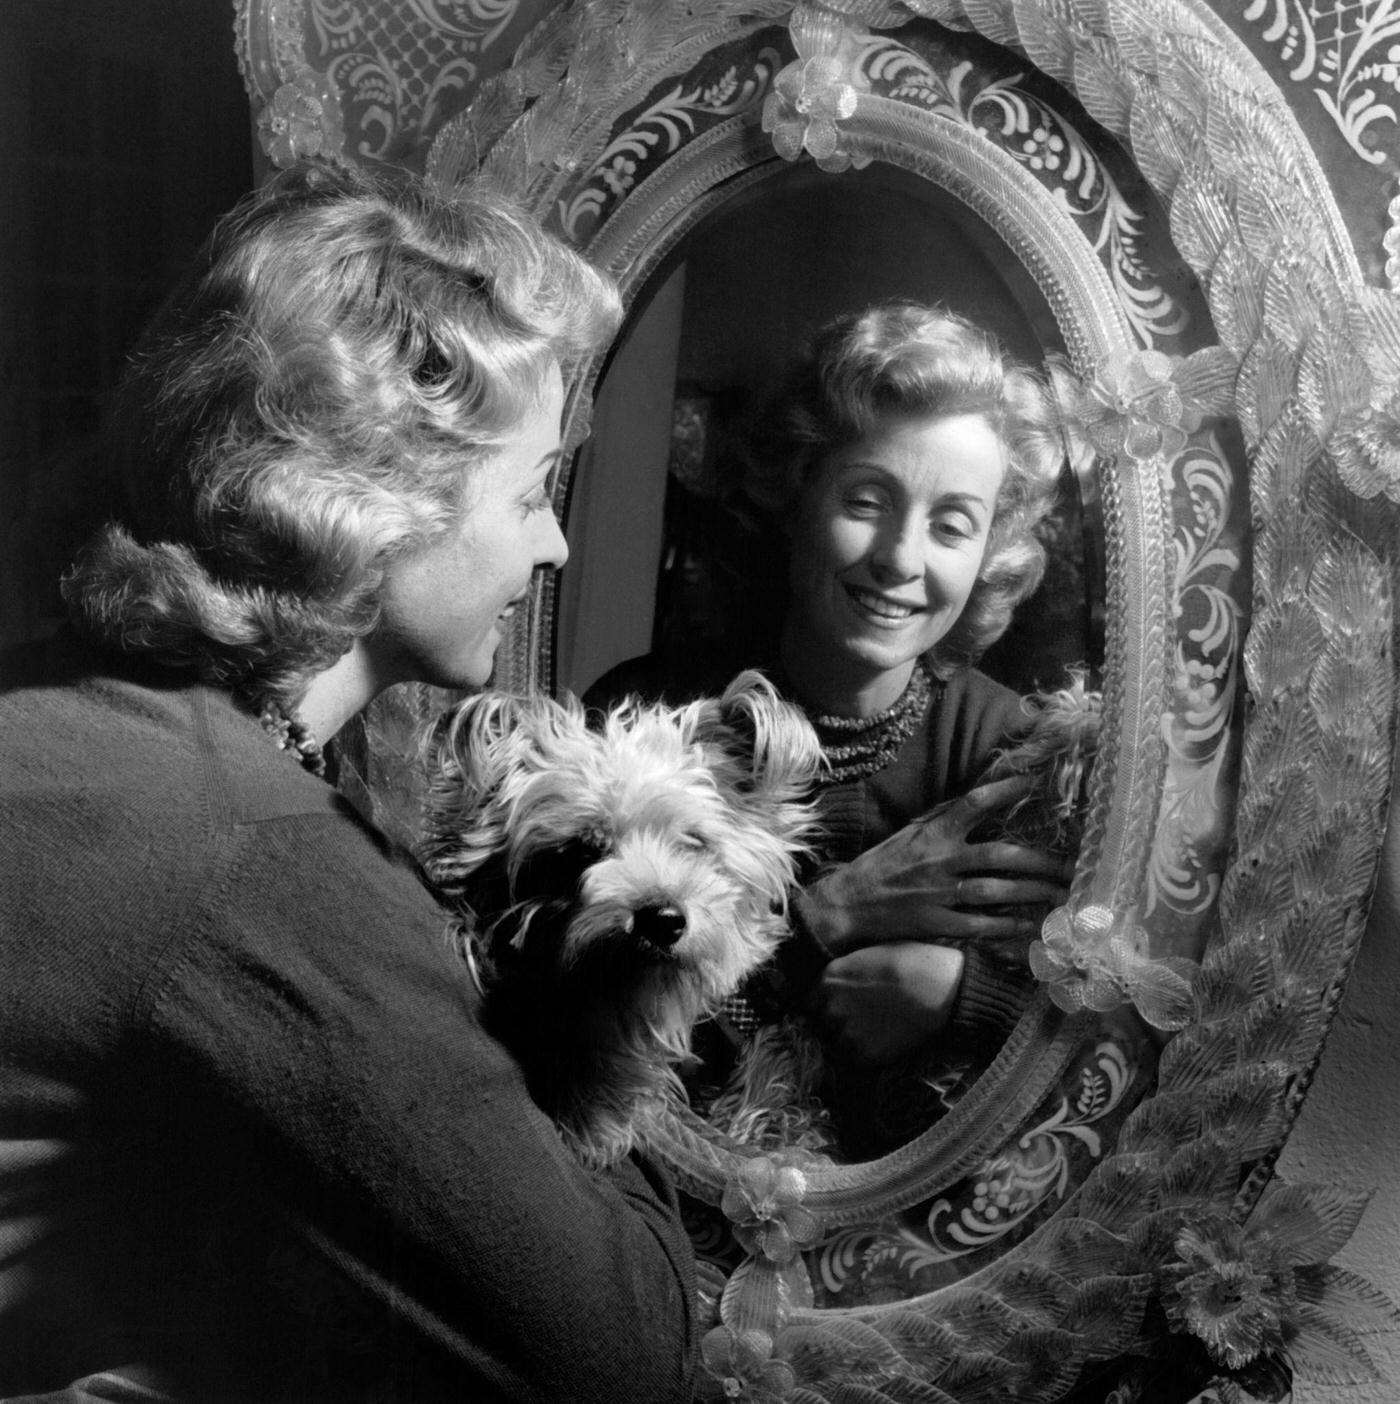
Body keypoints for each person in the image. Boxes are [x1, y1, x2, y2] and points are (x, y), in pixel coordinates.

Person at [0, 161, 696, 1402]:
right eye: (533, 493)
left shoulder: (64, 706)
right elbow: (621, 1358)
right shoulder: (252, 854)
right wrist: (601, 1041)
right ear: (384, 502)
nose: (557, 545)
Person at [588, 303, 1078, 1152]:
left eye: (952, 524)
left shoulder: (1015, 754)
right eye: (867, 499)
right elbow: (593, 1048)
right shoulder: (647, 715)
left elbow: (1088, 1073)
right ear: (794, 494)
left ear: (989, 554)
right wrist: (821, 922)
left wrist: (965, 996)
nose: (899, 557)